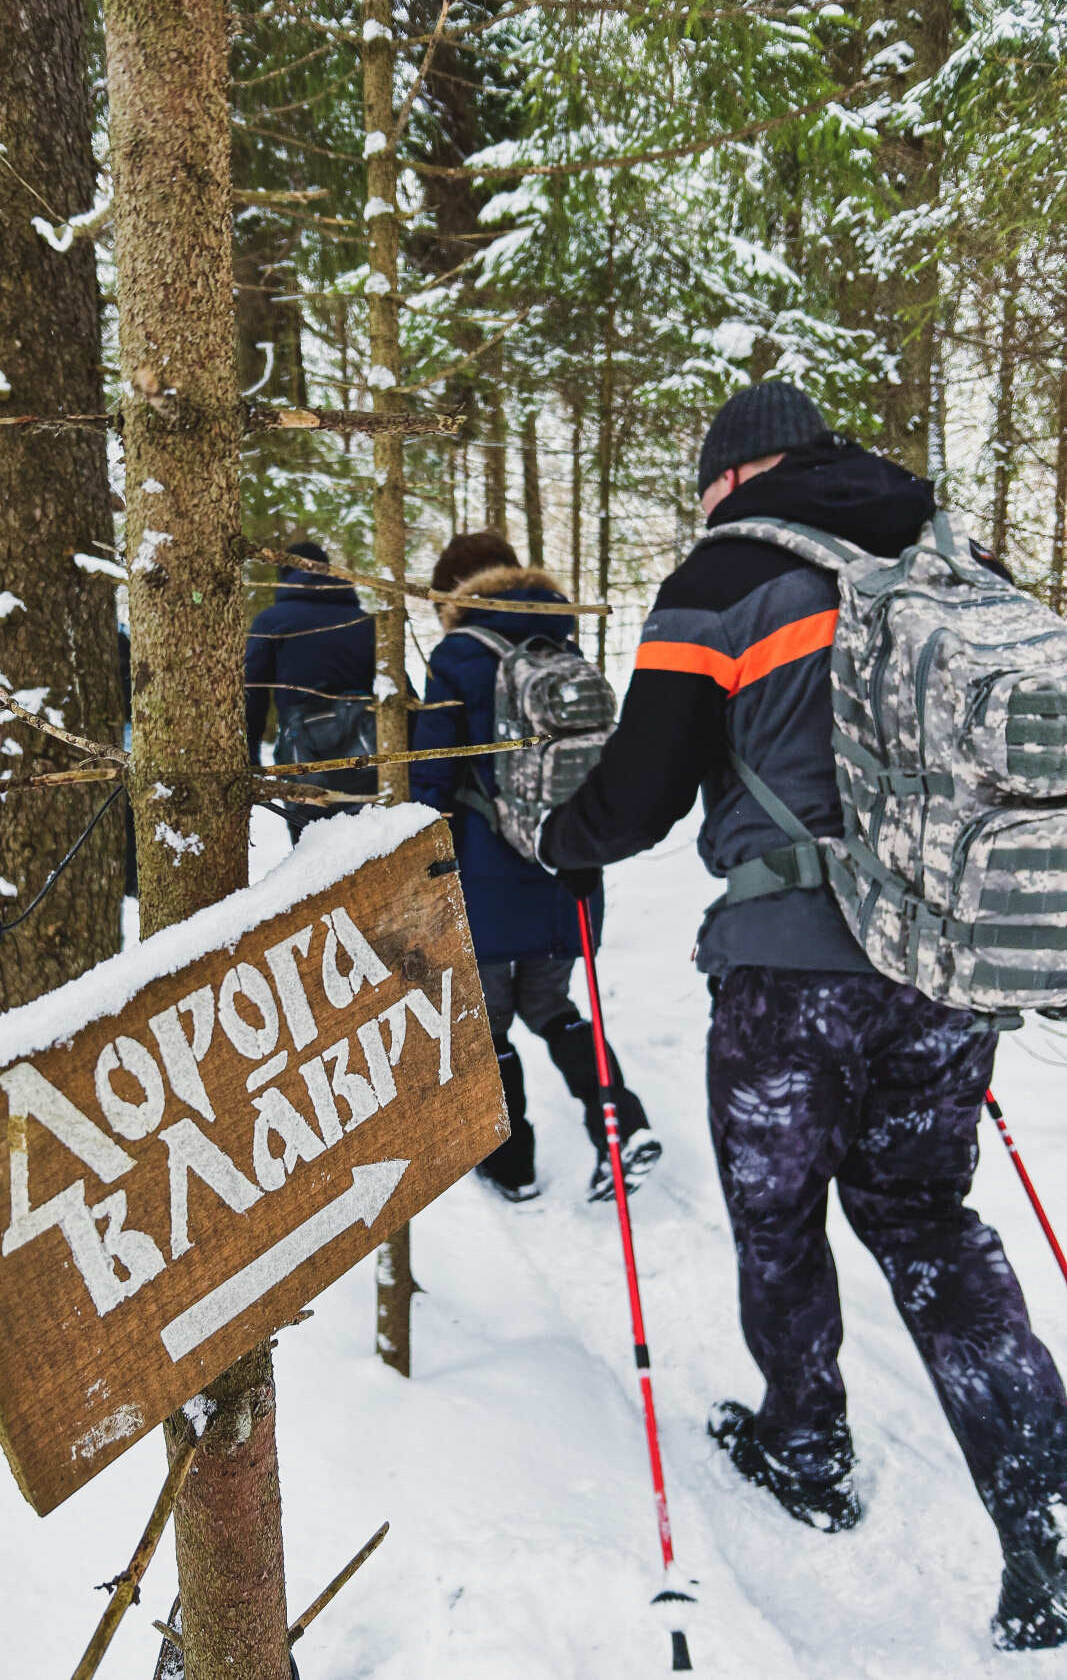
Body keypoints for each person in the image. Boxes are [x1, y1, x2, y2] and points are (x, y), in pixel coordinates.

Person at [537, 379, 1067, 1651]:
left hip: (790, 973)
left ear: (730, 477)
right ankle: (1043, 1507)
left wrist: (559, 837)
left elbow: (640, 793)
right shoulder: (953, 551)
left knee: (780, 1216)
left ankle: (808, 1446)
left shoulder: (722, 577)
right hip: (945, 964)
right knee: (926, 1217)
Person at [410, 531, 660, 1204]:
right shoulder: (561, 642)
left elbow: (430, 778)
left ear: (452, 591)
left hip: (482, 878)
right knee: (552, 1007)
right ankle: (621, 1128)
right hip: (563, 867)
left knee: (488, 1024)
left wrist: (418, 865)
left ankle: (510, 1164)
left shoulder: (457, 654)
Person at [244, 539, 376, 843]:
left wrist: (249, 756)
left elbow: (252, 690)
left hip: (304, 752)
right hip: (367, 746)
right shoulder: (363, 620)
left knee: (312, 848)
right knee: (371, 843)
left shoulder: (273, 620)